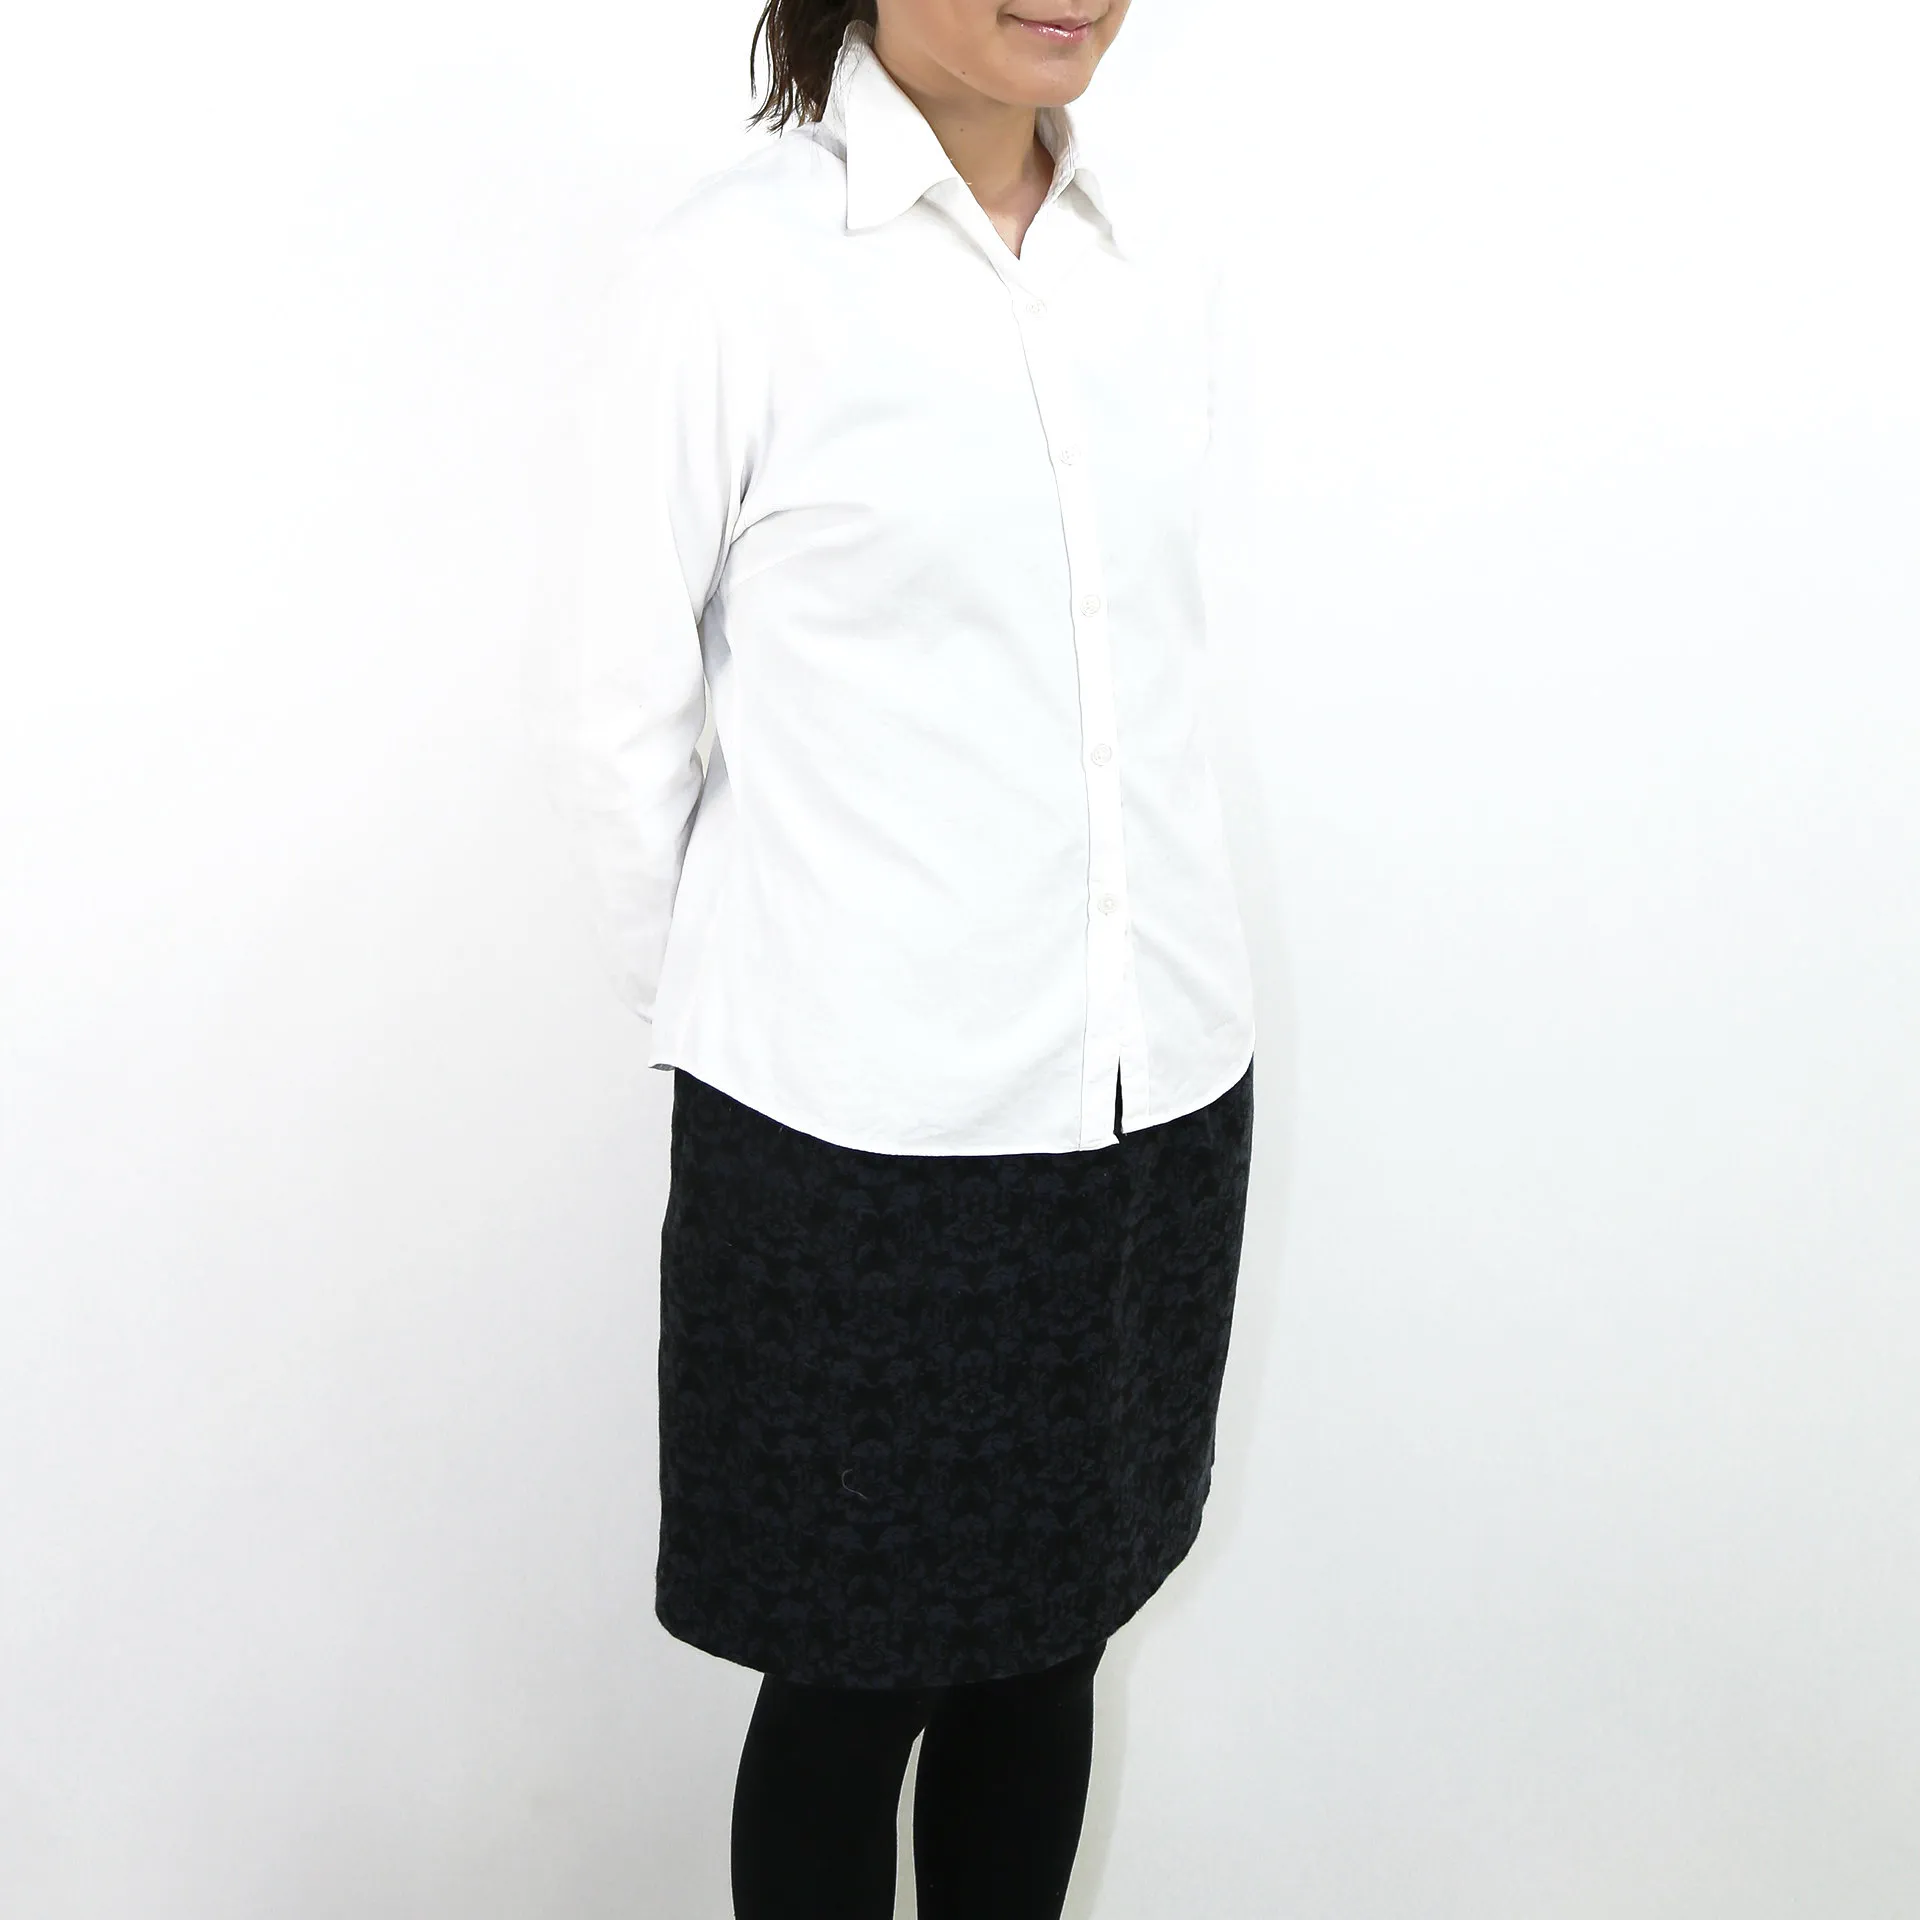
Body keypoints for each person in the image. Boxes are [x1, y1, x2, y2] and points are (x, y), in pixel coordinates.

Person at [544, 3, 1258, 1913]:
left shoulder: (1148, 260)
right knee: (851, 1677)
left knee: (1054, 1638)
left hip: (1148, 1090)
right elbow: (623, 726)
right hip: (854, 1133)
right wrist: (784, 1014)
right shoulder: (736, 274)